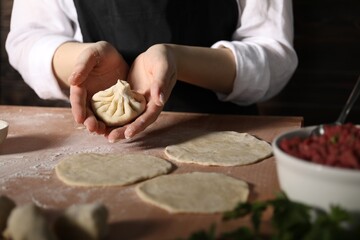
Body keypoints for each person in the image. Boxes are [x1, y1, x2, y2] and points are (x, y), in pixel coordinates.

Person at [6, 0, 298, 142]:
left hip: (227, 133)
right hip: (101, 139)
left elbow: (274, 54)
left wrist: (178, 60)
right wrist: (83, 62)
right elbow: (29, 38)